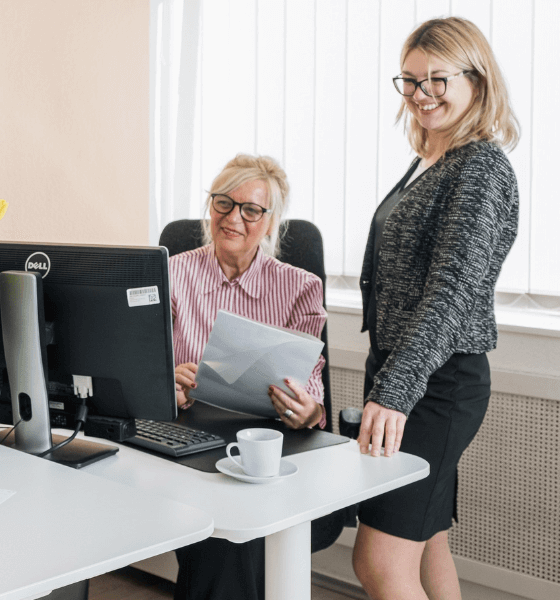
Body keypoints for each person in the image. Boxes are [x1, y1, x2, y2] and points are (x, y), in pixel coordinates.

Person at [351, 17, 519, 600]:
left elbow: (451, 291)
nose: (422, 93)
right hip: (410, 372)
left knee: (378, 562)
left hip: (436, 384)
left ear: (476, 79)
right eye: (411, 80)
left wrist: (395, 391)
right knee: (426, 546)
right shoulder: (433, 158)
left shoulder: (480, 167)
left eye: (438, 79)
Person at [169, 154, 326, 600]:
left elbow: (309, 380)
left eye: (251, 209)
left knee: (234, 536)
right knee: (224, 537)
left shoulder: (299, 287)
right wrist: (169, 381)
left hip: (268, 443)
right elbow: (147, 361)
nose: (233, 217)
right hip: (189, 437)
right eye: (223, 202)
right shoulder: (172, 273)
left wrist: (308, 408)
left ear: (270, 222)